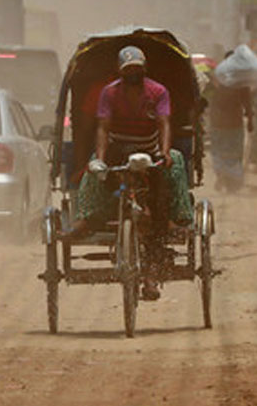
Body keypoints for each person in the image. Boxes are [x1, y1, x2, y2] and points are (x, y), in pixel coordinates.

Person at [60, 46, 193, 301]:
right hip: (117, 147)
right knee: (93, 169)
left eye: (137, 70)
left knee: (173, 166)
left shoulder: (158, 91)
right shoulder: (109, 93)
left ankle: (174, 219)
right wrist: (99, 157)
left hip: (149, 148)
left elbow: (164, 123)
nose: (133, 74)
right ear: (120, 71)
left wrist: (164, 152)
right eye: (128, 70)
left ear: (144, 70)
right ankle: (87, 217)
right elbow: (102, 127)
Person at [206, 53, 254, 192]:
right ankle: (230, 181)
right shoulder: (241, 80)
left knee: (219, 151)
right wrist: (250, 120)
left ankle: (222, 175)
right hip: (233, 123)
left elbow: (207, 98)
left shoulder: (216, 78)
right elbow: (247, 102)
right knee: (233, 152)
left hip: (218, 122)